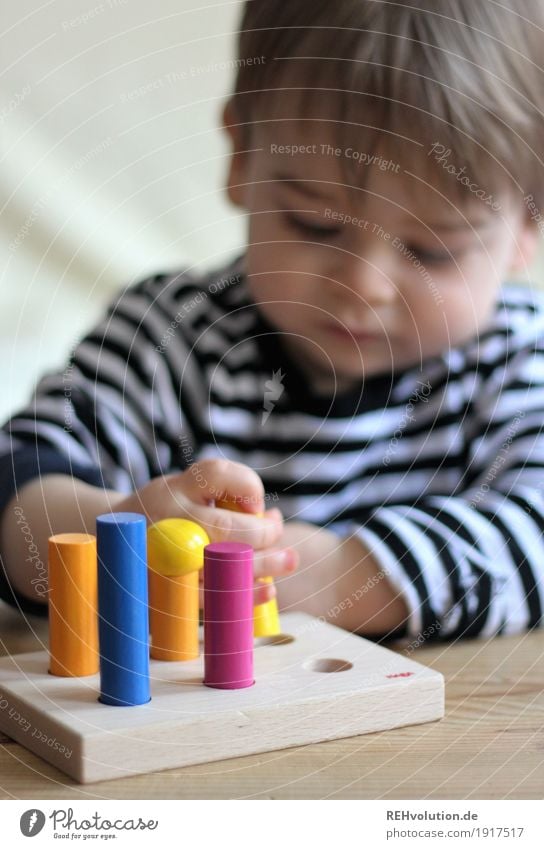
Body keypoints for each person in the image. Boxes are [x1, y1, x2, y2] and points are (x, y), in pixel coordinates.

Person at [1, 0, 544, 642]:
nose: (362, 286)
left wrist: (350, 579)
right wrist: (113, 535)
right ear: (241, 158)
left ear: (528, 221)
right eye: (313, 223)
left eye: (433, 250)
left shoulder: (519, 361)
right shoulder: (168, 335)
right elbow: (17, 477)